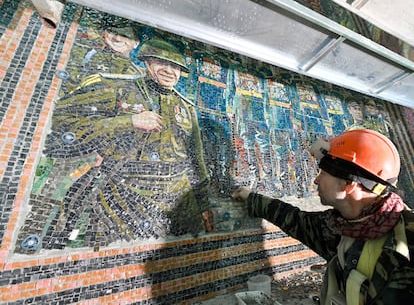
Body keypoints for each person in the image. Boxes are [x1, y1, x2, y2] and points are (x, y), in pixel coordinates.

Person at [17, 38, 212, 251]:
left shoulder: (186, 108)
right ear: (147, 62)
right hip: (122, 195)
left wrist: (204, 205)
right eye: (160, 62)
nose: (168, 70)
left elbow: (196, 160)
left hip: (177, 199)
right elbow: (64, 121)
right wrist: (128, 121)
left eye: (175, 66)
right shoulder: (118, 88)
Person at [232, 129, 414, 304]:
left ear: (348, 184)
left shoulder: (406, 246)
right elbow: (295, 220)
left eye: (324, 173)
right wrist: (251, 198)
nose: (316, 180)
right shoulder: (340, 226)